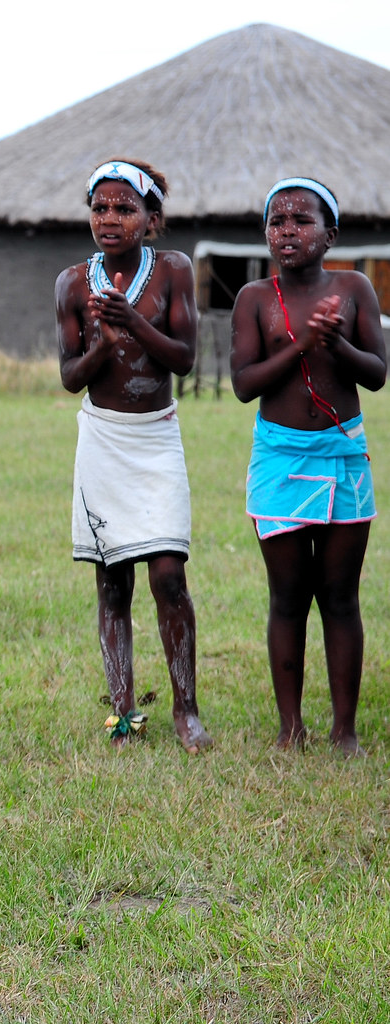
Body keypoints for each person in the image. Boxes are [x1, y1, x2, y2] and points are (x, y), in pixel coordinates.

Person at [56, 159, 212, 753]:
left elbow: (184, 358)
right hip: (103, 439)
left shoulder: (173, 270)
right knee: (112, 583)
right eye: (100, 208)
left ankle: (186, 710)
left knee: (169, 576)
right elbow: (72, 376)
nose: (110, 219)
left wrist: (131, 323)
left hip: (155, 437)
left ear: (152, 218)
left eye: (125, 208)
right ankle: (123, 713)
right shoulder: (72, 283)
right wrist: (102, 345)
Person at [230, 177, 386, 756]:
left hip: (344, 454)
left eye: (301, 221)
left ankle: (344, 731)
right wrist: (301, 345)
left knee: (341, 597)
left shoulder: (354, 289)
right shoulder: (255, 299)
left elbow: (376, 373)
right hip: (279, 460)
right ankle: (290, 729)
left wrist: (336, 343)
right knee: (288, 597)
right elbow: (244, 384)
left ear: (331, 233)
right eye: (277, 221)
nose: (286, 231)